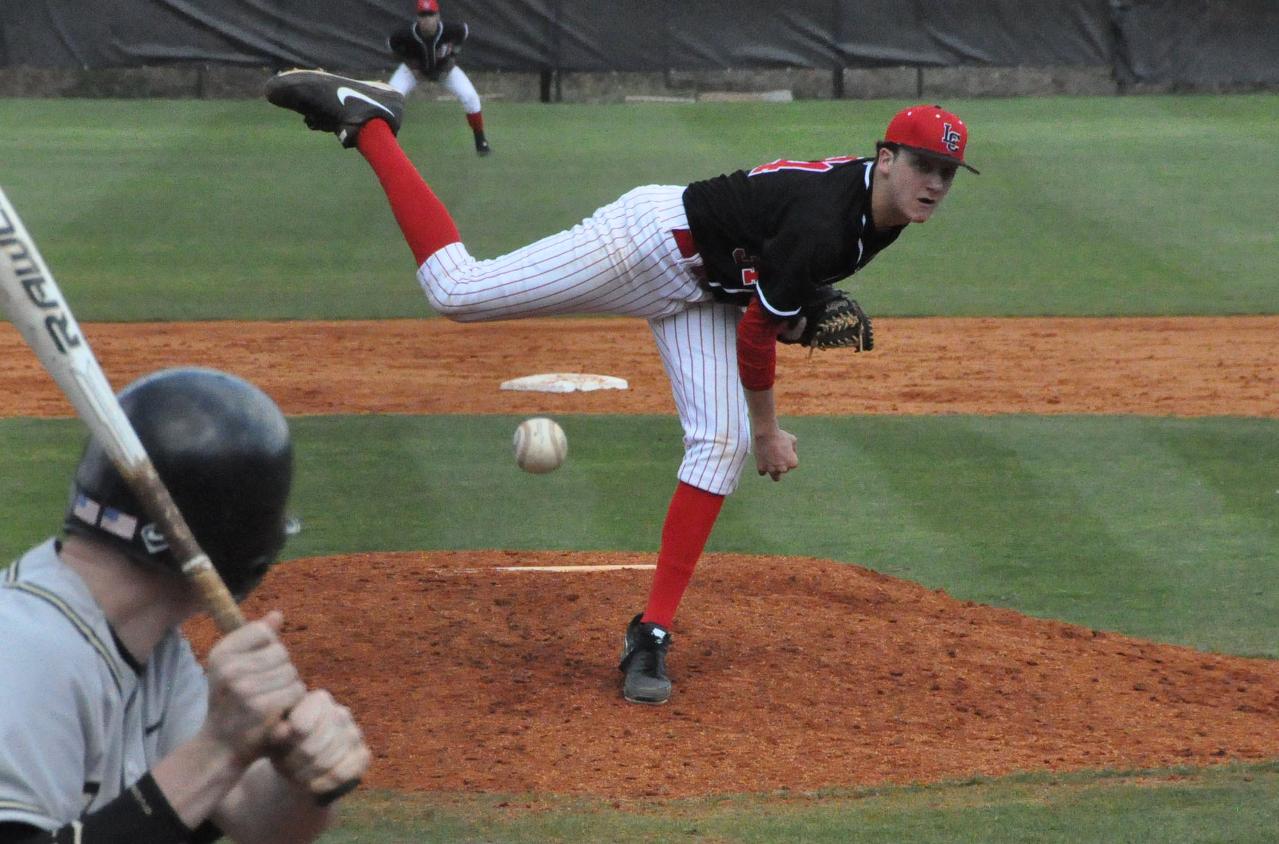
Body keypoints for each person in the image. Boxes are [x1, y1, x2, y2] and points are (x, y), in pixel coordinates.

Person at [264, 70, 978, 705]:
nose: (935, 184)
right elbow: (759, 335)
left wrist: (780, 303)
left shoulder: (879, 211)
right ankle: (370, 121)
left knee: (716, 444)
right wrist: (769, 427)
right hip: (650, 245)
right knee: (457, 289)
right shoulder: (829, 222)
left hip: (707, 287)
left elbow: (764, 282)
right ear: (885, 159)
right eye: (922, 165)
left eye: (947, 173)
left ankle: (651, 632)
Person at [0, 367, 371, 842]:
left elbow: (256, 821)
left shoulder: (153, 650)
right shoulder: (25, 655)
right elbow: (207, 769)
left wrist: (302, 780)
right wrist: (220, 749)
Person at [387, 0, 491, 156]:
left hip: (444, 70)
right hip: (414, 71)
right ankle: (386, 144)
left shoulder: (450, 30)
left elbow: (464, 33)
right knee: (390, 98)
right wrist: (410, 63)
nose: (427, 19)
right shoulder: (406, 34)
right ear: (417, 18)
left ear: (438, 16)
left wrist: (453, 56)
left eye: (430, 14)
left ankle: (480, 141)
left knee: (471, 97)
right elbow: (392, 46)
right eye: (423, 15)